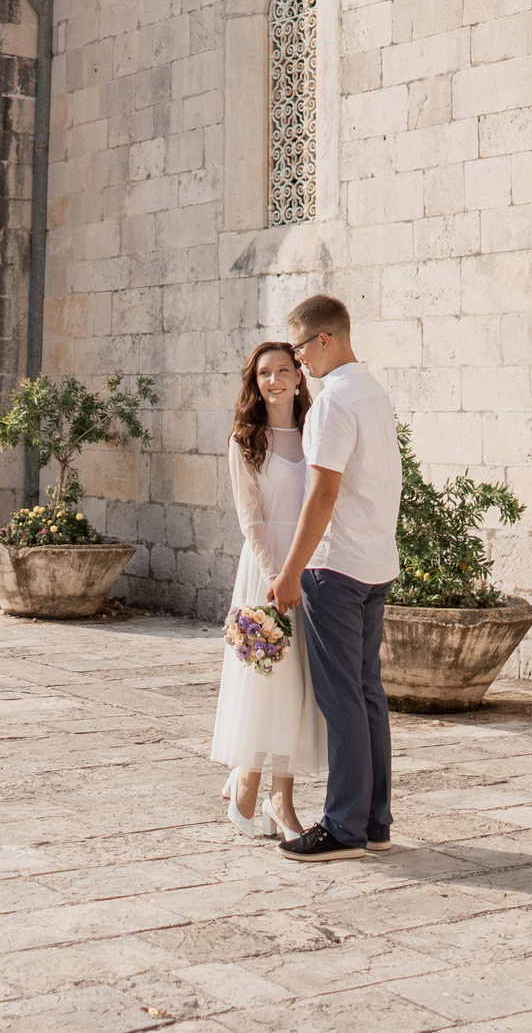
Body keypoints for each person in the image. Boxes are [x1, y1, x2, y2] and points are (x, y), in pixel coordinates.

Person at [267, 293, 401, 862]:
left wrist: (290, 573)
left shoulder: (331, 403)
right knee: (368, 693)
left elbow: (323, 494)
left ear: (325, 339)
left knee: (342, 697)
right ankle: (373, 822)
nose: (297, 364)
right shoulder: (375, 392)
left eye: (298, 349)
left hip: (335, 566)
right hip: (375, 563)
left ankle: (344, 827)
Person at [209, 340, 327, 840]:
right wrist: (276, 575)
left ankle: (264, 791)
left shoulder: (317, 428)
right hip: (267, 573)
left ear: (299, 376)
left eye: (284, 370)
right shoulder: (245, 438)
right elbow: (249, 516)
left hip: (310, 567)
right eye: (264, 374)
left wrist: (302, 570)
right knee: (265, 682)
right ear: (254, 383)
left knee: (297, 685)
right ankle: (266, 794)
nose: (275, 380)